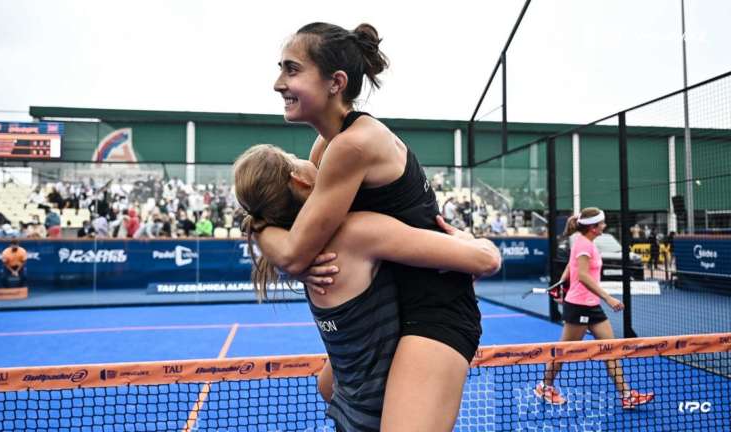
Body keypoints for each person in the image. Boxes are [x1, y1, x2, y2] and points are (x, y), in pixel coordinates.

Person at [256, 22, 482, 431]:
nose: (278, 83)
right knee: (332, 389)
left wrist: (254, 226)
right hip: (391, 303)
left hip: (434, 311)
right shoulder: (327, 147)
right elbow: (302, 245)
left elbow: (293, 254)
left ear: (335, 82)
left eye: (291, 70)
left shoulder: (352, 146)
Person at [234, 144, 501, 431]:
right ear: (299, 179)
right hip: (378, 416)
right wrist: (471, 240)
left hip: (348, 411)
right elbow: (486, 261)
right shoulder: (355, 232)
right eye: (296, 158)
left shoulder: (295, 250)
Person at [536, 207, 654, 409]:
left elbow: (571, 267)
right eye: (602, 223)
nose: (605, 226)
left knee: (611, 349)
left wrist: (562, 282)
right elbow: (582, 275)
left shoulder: (584, 243)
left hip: (592, 307)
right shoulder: (584, 245)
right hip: (580, 307)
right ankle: (544, 387)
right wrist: (609, 298)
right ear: (593, 227)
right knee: (564, 351)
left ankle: (626, 395)